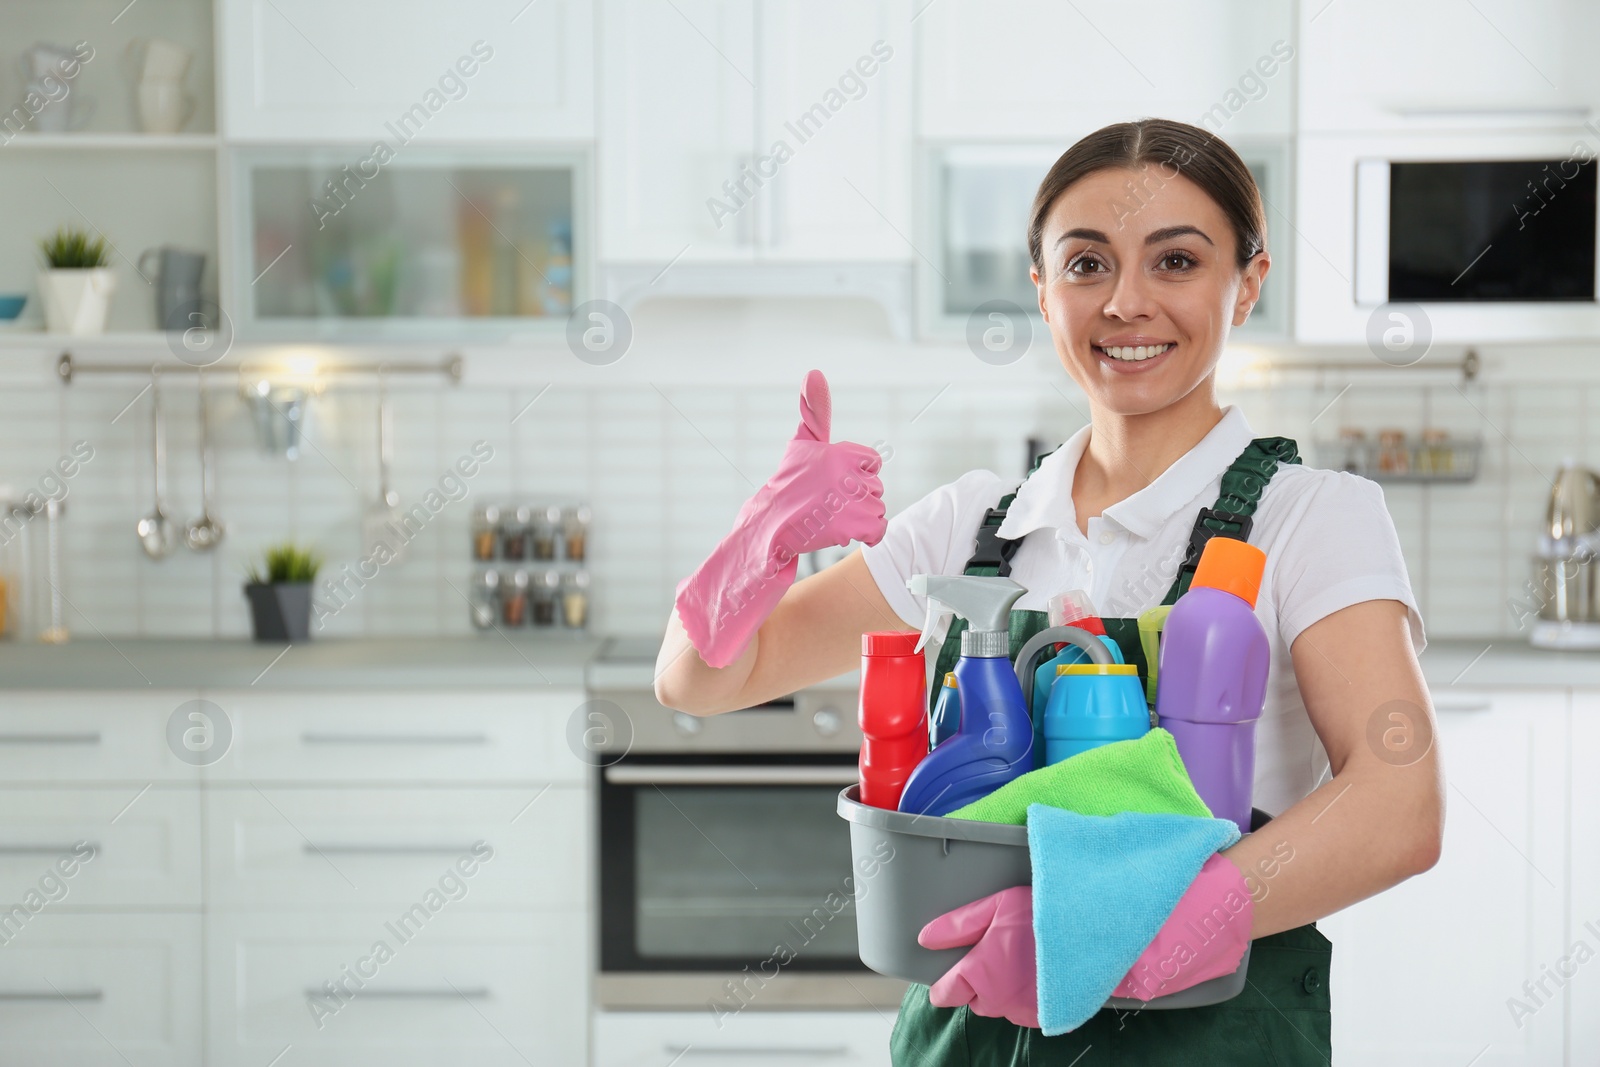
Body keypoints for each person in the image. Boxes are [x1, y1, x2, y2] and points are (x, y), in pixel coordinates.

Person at [657, 118, 1445, 1065]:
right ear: (1041, 288)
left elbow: (1401, 805)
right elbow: (702, 681)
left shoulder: (1311, 519)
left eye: (1177, 261)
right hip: (968, 1030)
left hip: (1207, 1034)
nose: (1126, 302)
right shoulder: (970, 527)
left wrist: (1119, 939)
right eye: (1085, 265)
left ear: (1249, 280)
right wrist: (760, 541)